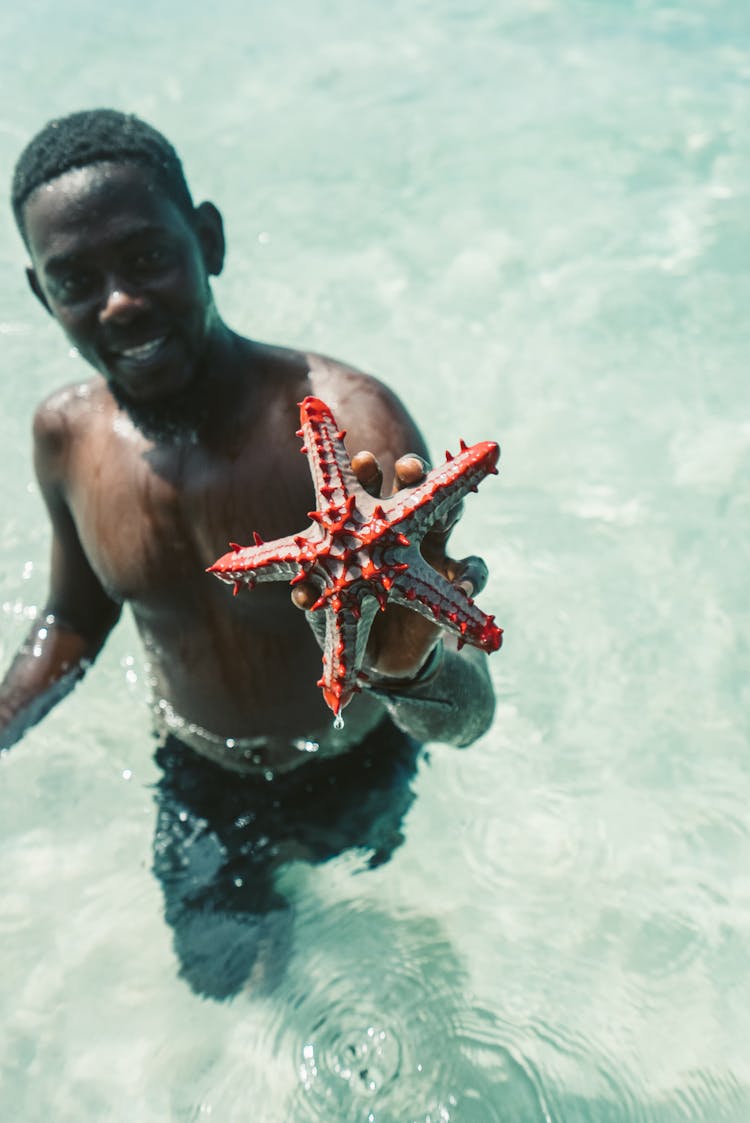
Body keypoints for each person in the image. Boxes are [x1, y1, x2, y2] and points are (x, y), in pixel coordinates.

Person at [0, 110, 497, 996]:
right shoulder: (65, 438)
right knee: (225, 987)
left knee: (380, 974)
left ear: (209, 240)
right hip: (199, 778)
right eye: (75, 279)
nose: (117, 301)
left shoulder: (350, 430)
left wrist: (409, 671)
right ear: (41, 295)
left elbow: (470, 716)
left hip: (357, 762)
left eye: (148, 257)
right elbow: (76, 617)